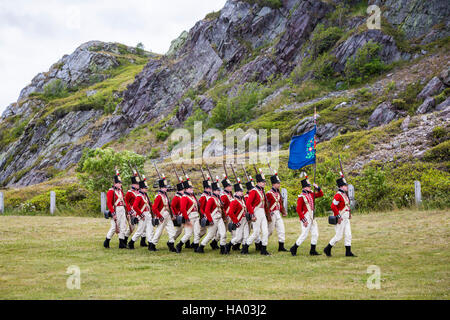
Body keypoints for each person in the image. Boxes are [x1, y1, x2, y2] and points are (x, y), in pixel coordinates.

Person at [290, 173, 324, 256]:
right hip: (305, 216)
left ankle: (312, 250)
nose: (310, 187)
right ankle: (294, 248)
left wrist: (318, 188)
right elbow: (298, 209)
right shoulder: (301, 196)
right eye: (309, 186)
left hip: (312, 215)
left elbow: (320, 194)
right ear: (305, 187)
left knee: (315, 233)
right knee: (304, 234)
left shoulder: (311, 194)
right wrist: (303, 220)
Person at [324, 173, 357, 257]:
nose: (347, 187)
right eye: (345, 186)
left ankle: (348, 252)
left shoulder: (344, 195)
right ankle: (328, 248)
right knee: (338, 236)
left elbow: (347, 206)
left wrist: (349, 213)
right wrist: (338, 216)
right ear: (341, 186)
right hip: (341, 218)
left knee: (348, 234)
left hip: (346, 218)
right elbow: (333, 206)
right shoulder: (338, 195)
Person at [242, 169, 270, 255]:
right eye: (262, 182)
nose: (264, 183)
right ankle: (246, 246)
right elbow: (248, 203)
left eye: (264, 182)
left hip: (262, 213)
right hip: (256, 212)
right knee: (256, 232)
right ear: (258, 182)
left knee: (265, 231)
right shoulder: (254, 191)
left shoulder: (262, 191)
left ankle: (264, 249)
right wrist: (252, 214)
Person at [198, 177, 227, 254]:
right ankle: (201, 246)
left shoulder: (218, 199)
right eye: (217, 190)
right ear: (214, 191)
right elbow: (207, 211)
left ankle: (223, 249)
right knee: (210, 235)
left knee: (223, 233)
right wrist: (210, 220)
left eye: (219, 190)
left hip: (219, 218)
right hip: (213, 218)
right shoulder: (211, 199)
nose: (219, 192)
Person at [149, 175, 177, 252]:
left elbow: (169, 206)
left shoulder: (164, 195)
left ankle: (171, 244)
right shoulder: (158, 196)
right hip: (162, 215)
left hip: (167, 215)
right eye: (164, 187)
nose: (166, 188)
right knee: (159, 231)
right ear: (161, 187)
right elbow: (154, 208)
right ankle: (152, 245)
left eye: (166, 187)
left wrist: (172, 214)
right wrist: (159, 216)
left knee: (172, 231)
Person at [175, 177, 201, 253]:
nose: (191, 189)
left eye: (191, 187)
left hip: (196, 216)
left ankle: (196, 247)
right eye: (190, 188)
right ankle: (179, 245)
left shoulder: (192, 196)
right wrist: (186, 218)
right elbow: (183, 209)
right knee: (188, 234)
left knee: (197, 232)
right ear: (186, 189)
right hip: (189, 217)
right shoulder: (184, 197)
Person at [103, 170, 128, 249]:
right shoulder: (111, 191)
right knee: (114, 227)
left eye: (120, 183)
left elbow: (123, 200)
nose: (120, 184)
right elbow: (109, 203)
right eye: (119, 183)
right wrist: (113, 213)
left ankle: (121, 243)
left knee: (123, 226)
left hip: (122, 209)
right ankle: (106, 241)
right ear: (115, 183)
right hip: (116, 209)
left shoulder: (120, 190)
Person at [128, 177, 154, 249]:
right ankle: (131, 242)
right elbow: (135, 206)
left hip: (148, 214)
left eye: (146, 188)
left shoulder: (145, 195)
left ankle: (150, 244)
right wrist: (141, 214)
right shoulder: (139, 196)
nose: (146, 189)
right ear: (141, 188)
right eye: (145, 188)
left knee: (150, 229)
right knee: (140, 231)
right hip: (142, 215)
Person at [266, 171, 288, 252]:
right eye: (277, 183)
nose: (279, 184)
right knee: (270, 231)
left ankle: (281, 246)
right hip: (271, 214)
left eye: (279, 183)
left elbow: (280, 203)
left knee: (281, 229)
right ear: (273, 184)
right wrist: (268, 214)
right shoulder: (269, 193)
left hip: (278, 213)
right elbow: (266, 205)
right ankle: (262, 244)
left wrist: (283, 212)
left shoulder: (277, 193)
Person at [226, 181, 249, 254]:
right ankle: (228, 245)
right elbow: (230, 212)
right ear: (236, 192)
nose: (242, 192)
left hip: (245, 219)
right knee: (238, 237)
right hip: (239, 220)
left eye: (242, 191)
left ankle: (244, 250)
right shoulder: (234, 201)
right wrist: (236, 221)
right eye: (240, 191)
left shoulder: (242, 200)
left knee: (246, 235)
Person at [124, 171, 142, 246]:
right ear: (133, 184)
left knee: (142, 226)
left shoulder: (140, 192)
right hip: (133, 211)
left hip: (139, 210)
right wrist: (129, 210)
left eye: (138, 184)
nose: (138, 185)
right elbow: (126, 201)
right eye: (136, 184)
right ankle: (125, 239)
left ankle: (143, 241)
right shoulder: (130, 192)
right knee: (132, 227)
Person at [171, 178, 189, 246]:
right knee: (179, 230)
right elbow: (172, 206)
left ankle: (187, 243)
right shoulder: (177, 197)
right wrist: (176, 214)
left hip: (184, 214)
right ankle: (171, 241)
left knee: (187, 229)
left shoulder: (183, 196)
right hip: (179, 215)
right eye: (182, 190)